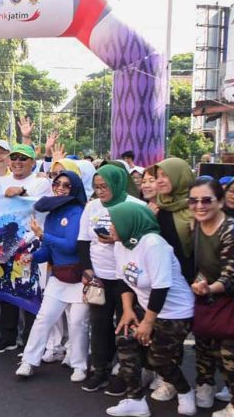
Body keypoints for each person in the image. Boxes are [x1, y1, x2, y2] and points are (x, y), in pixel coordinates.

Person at [106, 203, 196, 417]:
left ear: (129, 223)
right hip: (148, 306)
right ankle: (135, 399)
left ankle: (184, 390)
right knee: (124, 339)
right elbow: (123, 281)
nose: (110, 227)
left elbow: (161, 287)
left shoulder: (154, 244)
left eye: (114, 223)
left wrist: (147, 323)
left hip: (176, 312)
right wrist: (128, 310)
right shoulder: (122, 244)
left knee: (158, 359)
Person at [16, 170, 89, 382]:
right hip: (59, 276)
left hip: (79, 277)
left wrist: (41, 234)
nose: (60, 188)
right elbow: (49, 250)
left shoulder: (78, 212)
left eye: (66, 185)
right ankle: (28, 361)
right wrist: (32, 257)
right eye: (57, 183)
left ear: (74, 189)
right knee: (43, 319)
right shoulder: (52, 214)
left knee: (77, 323)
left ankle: (79, 365)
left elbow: (70, 246)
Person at [78, 165, 145, 394]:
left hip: (128, 278)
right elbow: (83, 240)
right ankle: (100, 369)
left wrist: (118, 239)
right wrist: (87, 270)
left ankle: (124, 373)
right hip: (99, 276)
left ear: (117, 183)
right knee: (99, 324)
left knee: (125, 324)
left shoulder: (136, 206)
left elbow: (145, 242)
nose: (100, 191)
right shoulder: (92, 206)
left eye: (104, 186)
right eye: (96, 187)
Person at [187, 179, 234, 416]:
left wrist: (208, 288)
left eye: (206, 200)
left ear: (220, 201)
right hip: (206, 296)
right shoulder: (195, 225)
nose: (199, 205)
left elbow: (231, 275)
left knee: (231, 355)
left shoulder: (230, 229)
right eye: (193, 200)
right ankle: (205, 387)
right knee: (203, 345)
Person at [0, 144, 53, 354]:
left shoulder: (41, 182)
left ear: (33, 163)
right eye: (14, 157)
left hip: (31, 244)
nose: (18, 162)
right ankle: (7, 336)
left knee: (30, 291)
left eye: (23, 158)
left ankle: (30, 340)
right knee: (6, 290)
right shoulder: (0, 182)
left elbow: (42, 203)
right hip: (6, 245)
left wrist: (23, 191)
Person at [154, 157, 196, 284]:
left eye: (165, 175)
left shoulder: (198, 206)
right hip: (162, 277)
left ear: (180, 177)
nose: (159, 181)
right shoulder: (156, 206)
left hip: (191, 277)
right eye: (157, 176)